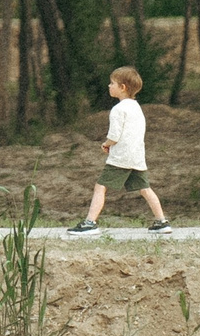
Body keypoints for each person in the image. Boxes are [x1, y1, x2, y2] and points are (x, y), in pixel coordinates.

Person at [66, 65, 170, 235]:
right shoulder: (136, 108)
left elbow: (114, 135)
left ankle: (90, 223)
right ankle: (162, 222)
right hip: (137, 157)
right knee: (145, 188)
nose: (109, 86)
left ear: (122, 87)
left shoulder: (118, 109)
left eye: (112, 83)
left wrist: (107, 144)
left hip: (121, 157)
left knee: (100, 187)